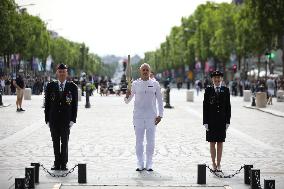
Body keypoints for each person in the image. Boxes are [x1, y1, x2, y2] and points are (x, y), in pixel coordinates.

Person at [124, 63, 164, 172]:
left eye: (147, 70)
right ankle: (140, 162)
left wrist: (160, 115)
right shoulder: (135, 84)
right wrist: (127, 94)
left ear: (150, 71)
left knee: (150, 141)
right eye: (143, 70)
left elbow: (160, 100)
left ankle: (149, 163)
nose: (145, 71)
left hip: (152, 117)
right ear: (140, 71)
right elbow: (127, 101)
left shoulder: (155, 84)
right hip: (138, 117)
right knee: (139, 141)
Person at [44, 64, 78, 170]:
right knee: (55, 142)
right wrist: (47, 119)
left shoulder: (72, 87)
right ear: (57, 73)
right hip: (53, 119)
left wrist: (73, 119)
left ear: (66, 73)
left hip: (66, 120)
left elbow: (75, 105)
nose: (62, 74)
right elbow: (47, 104)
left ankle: (63, 163)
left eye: (64, 72)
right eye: (60, 72)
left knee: (64, 142)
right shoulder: (50, 86)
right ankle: (56, 163)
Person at [203, 70, 231, 172]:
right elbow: (205, 107)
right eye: (215, 78)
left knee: (220, 142)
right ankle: (213, 163)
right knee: (212, 143)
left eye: (219, 77)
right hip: (211, 121)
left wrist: (228, 121)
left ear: (221, 79)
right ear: (212, 79)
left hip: (222, 121)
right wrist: (205, 121)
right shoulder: (208, 90)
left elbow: (228, 107)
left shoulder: (226, 90)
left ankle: (219, 163)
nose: (217, 79)